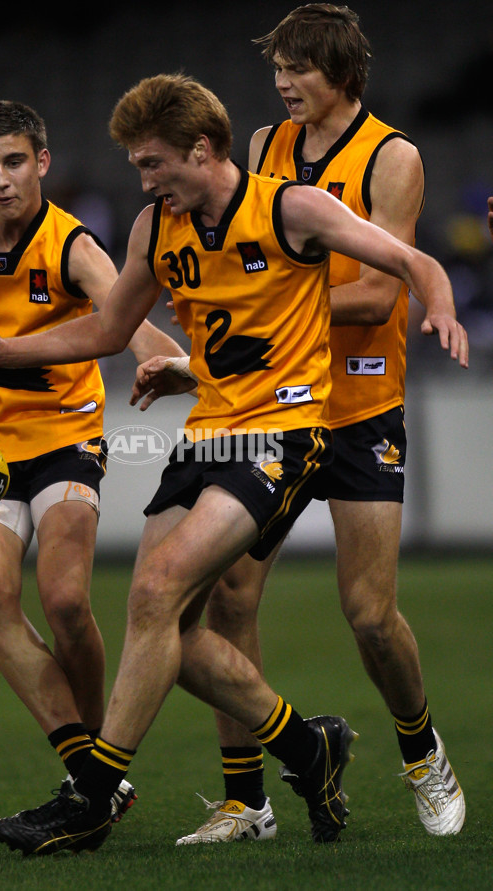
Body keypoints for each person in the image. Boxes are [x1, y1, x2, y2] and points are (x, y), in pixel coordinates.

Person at [0, 73, 463, 857]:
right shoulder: (155, 226)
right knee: (168, 631)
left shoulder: (290, 208)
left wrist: (440, 305)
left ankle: (92, 796)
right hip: (207, 431)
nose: (144, 182)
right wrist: (5, 349)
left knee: (155, 590)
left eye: (153, 165)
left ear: (202, 150)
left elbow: (414, 264)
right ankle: (308, 747)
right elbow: (110, 327)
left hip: (284, 433)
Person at [133, 5, 468, 844]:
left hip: (358, 405)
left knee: (369, 615)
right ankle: (249, 801)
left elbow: (379, 295)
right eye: (277, 68)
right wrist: (222, 343)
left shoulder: (394, 158)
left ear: (342, 75)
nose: (282, 83)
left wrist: (259, 313)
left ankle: (422, 751)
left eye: (298, 70)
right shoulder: (259, 147)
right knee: (227, 603)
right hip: (270, 408)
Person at [0, 99, 187, 821]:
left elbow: (128, 321)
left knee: (63, 600)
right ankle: (92, 771)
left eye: (15, 162)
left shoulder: (72, 245)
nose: (1, 180)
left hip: (65, 439)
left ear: (42, 163)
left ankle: (94, 771)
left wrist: (173, 363)